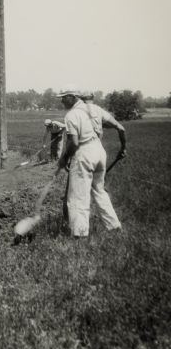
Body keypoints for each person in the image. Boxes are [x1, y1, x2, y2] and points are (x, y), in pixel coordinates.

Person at [57, 88, 122, 238]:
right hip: (99, 151)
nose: (61, 101)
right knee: (99, 191)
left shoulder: (71, 114)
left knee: (77, 196)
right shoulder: (93, 108)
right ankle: (114, 226)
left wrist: (64, 158)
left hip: (84, 153)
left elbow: (73, 143)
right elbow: (115, 124)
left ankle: (79, 234)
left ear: (72, 97)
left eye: (64, 97)